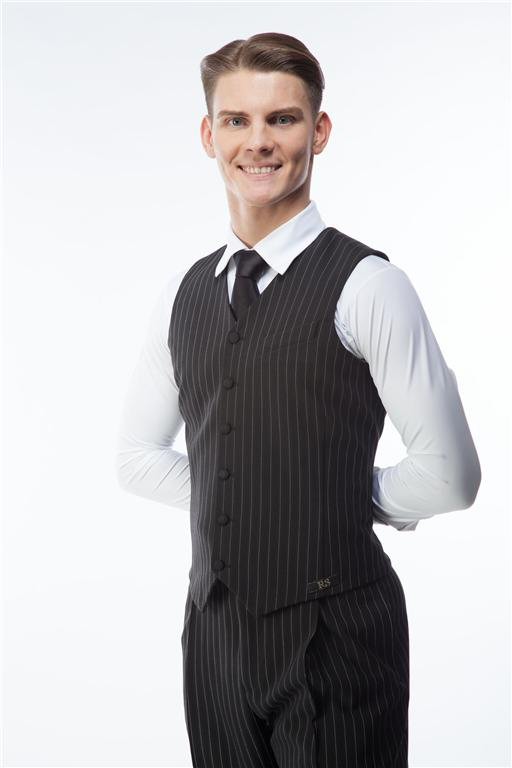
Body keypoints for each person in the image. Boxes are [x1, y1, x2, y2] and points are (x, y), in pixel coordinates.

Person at [116, 32, 481, 768]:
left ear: (319, 131)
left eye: (281, 119)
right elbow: (136, 459)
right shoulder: (183, 295)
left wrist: (332, 498)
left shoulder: (369, 285)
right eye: (236, 120)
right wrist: (264, 498)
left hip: (338, 633)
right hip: (214, 636)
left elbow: (450, 476)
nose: (258, 141)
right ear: (209, 135)